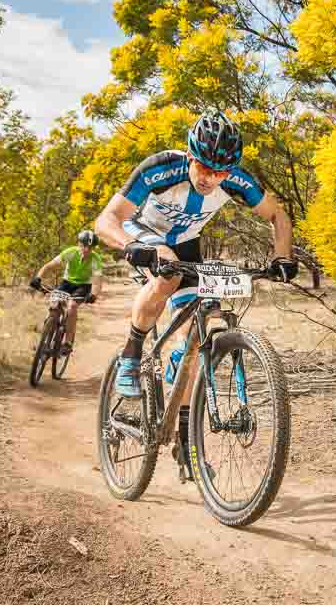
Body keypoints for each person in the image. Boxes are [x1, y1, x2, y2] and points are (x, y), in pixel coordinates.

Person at [93, 108, 297, 441]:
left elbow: (278, 217)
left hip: (187, 243)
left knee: (202, 324)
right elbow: (106, 220)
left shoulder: (236, 180)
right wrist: (129, 246)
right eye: (202, 166)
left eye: (219, 172)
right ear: (190, 154)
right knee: (168, 273)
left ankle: (186, 434)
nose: (209, 178)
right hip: (142, 231)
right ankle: (131, 355)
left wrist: (282, 257)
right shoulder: (160, 168)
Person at [30, 230, 103, 355]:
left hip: (83, 285)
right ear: (79, 244)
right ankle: (46, 336)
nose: (86, 249)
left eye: (90, 247)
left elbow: (97, 280)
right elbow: (49, 265)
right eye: (84, 245)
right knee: (54, 303)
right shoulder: (70, 252)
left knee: (72, 306)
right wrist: (38, 278)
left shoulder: (95, 259)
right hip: (67, 282)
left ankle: (68, 343)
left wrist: (94, 294)